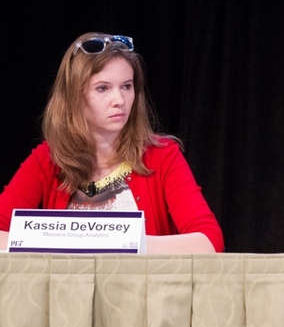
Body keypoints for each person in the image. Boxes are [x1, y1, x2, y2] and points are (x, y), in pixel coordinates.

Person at [0, 32, 224, 253]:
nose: (119, 100)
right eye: (103, 88)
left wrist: (124, 242)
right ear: (74, 96)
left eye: (126, 86)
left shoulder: (162, 156)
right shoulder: (48, 159)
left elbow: (209, 241)